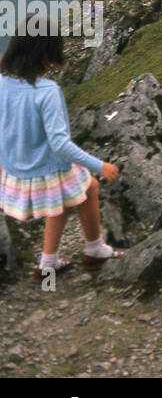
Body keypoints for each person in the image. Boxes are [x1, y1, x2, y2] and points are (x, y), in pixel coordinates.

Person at [0, 30, 123, 280]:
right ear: (45, 56)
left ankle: (49, 265)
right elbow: (60, 144)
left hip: (15, 169)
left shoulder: (2, 83)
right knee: (88, 186)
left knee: (71, 197)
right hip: (47, 168)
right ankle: (92, 251)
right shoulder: (48, 91)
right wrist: (100, 165)